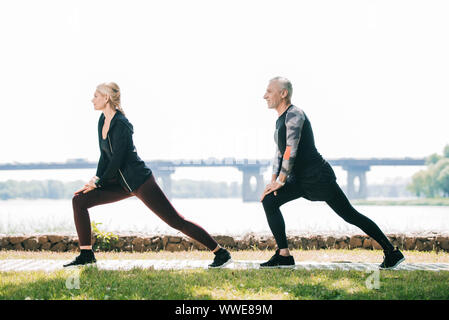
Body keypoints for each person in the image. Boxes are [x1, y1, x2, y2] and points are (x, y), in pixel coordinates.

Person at [64, 82, 232, 268]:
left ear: (106, 98)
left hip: (139, 181)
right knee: (79, 200)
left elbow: (117, 159)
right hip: (119, 183)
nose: (92, 99)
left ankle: (220, 253)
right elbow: (104, 156)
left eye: (96, 95)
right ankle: (86, 254)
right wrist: (95, 179)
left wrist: (100, 182)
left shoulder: (122, 124)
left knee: (176, 221)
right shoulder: (102, 121)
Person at [259, 77, 405, 269]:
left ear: (283, 93)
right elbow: (279, 153)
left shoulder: (295, 115)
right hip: (298, 179)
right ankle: (284, 255)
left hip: (318, 177)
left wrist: (281, 179)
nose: (264, 96)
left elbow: (290, 149)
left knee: (351, 215)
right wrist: (272, 182)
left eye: (269, 91)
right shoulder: (280, 120)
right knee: (269, 200)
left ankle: (392, 252)